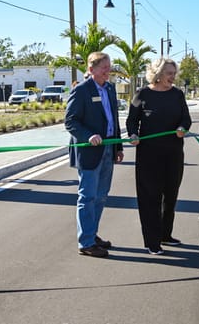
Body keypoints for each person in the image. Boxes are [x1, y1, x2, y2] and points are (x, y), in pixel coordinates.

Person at [126, 57, 191, 255]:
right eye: (169, 73)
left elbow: (186, 118)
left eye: (174, 73)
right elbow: (131, 121)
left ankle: (165, 234)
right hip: (148, 155)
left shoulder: (177, 95)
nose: (173, 77)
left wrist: (182, 128)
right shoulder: (142, 94)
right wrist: (133, 135)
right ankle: (152, 241)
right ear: (158, 74)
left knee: (170, 195)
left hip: (173, 154)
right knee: (150, 198)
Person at [65, 52, 124, 258]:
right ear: (91, 69)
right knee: (87, 196)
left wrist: (118, 147)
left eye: (109, 67)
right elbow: (70, 121)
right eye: (104, 67)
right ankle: (86, 242)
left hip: (108, 148)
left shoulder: (109, 88)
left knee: (101, 196)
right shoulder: (81, 90)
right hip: (89, 151)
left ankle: (92, 233)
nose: (108, 71)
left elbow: (113, 119)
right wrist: (88, 136)